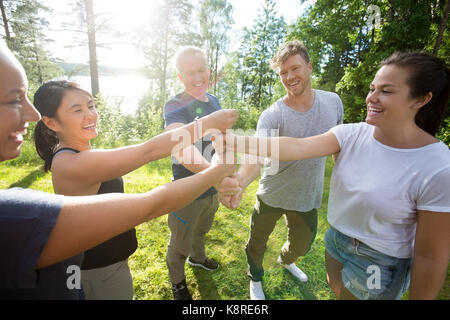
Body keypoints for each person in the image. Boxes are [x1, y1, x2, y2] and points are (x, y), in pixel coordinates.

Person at [0, 42, 238, 299]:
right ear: (51, 122)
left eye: (90, 105)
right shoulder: (72, 164)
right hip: (99, 273)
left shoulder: (80, 155)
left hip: (107, 265)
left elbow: (143, 151)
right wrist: (213, 157)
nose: (90, 115)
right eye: (77, 110)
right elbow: (147, 154)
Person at [221, 51, 450, 300]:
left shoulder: (437, 165)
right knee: (335, 287)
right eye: (373, 88)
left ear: (421, 99)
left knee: (306, 249)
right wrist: (235, 145)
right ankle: (255, 276)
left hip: (377, 259)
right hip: (333, 237)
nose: (371, 97)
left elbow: (431, 254)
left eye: (386, 91)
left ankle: (286, 260)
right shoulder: (349, 133)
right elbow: (296, 147)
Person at [218, 40, 343, 300]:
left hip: (307, 197)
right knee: (256, 244)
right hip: (272, 194)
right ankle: (255, 277)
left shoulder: (333, 103)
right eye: (283, 73)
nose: (289, 77)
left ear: (309, 67)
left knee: (303, 244)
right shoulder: (272, 115)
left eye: (294, 69)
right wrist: (240, 179)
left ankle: (286, 260)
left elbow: (337, 144)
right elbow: (256, 154)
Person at [163, 46, 238, 300]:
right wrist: (216, 174)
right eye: (189, 72)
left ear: (209, 70)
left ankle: (198, 258)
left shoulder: (214, 101)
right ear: (179, 76)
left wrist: (223, 169)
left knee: (201, 229)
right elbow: (181, 148)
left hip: (211, 189)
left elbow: (220, 139)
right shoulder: (176, 105)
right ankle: (178, 282)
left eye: (201, 70)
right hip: (186, 190)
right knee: (179, 242)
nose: (197, 77)